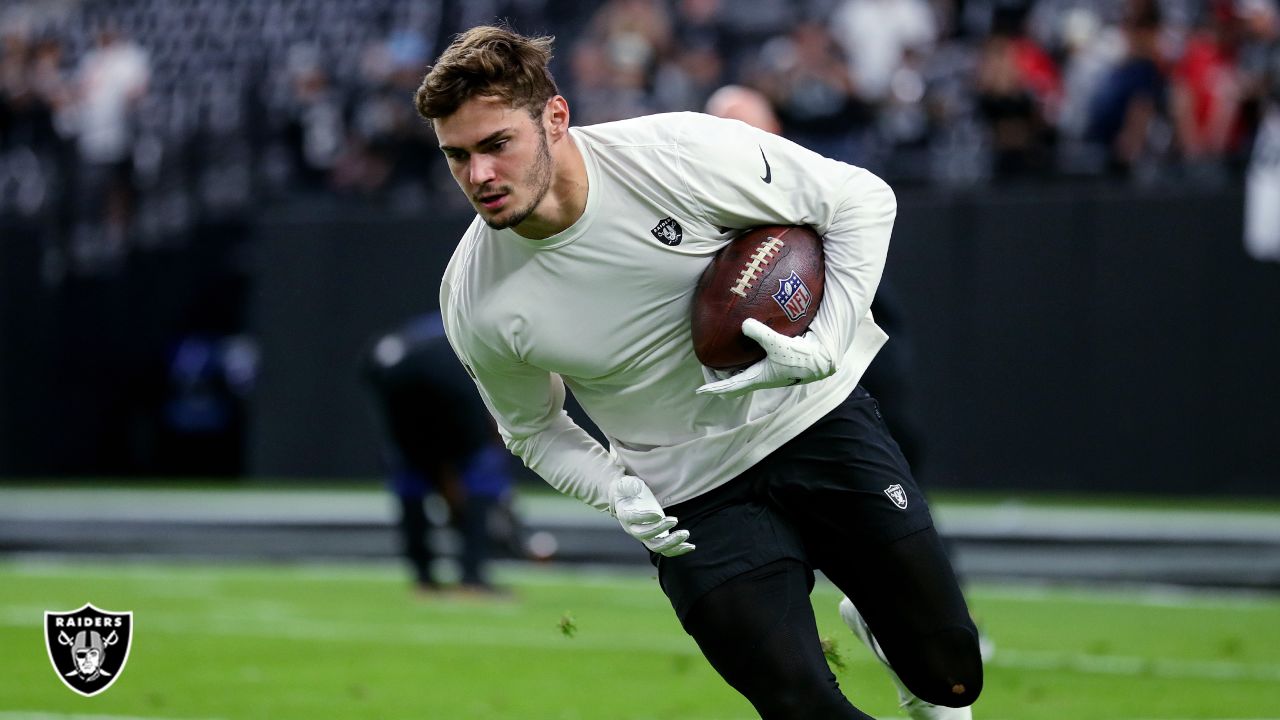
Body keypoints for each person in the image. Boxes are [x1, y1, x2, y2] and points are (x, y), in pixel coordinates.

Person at [416, 26, 982, 719]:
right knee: (803, 706)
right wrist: (612, 487)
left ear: (555, 118)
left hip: (812, 423)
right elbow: (531, 426)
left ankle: (888, 636)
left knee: (953, 673)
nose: (479, 176)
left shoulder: (679, 151)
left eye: (497, 144)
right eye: (457, 156)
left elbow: (862, 200)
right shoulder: (473, 294)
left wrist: (830, 335)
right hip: (692, 498)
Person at [362, 312, 516, 595]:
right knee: (481, 471)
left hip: (389, 372)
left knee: (411, 470)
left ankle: (423, 579)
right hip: (443, 377)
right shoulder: (490, 334)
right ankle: (472, 579)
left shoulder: (430, 328)